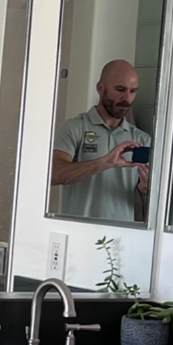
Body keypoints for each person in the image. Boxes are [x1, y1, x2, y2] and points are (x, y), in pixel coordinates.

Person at [51, 59, 152, 223]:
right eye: (120, 89)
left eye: (133, 91)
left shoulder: (142, 139)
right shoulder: (75, 128)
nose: (127, 98)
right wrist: (105, 162)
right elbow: (53, 175)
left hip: (121, 238)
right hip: (79, 234)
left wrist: (145, 190)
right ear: (100, 88)